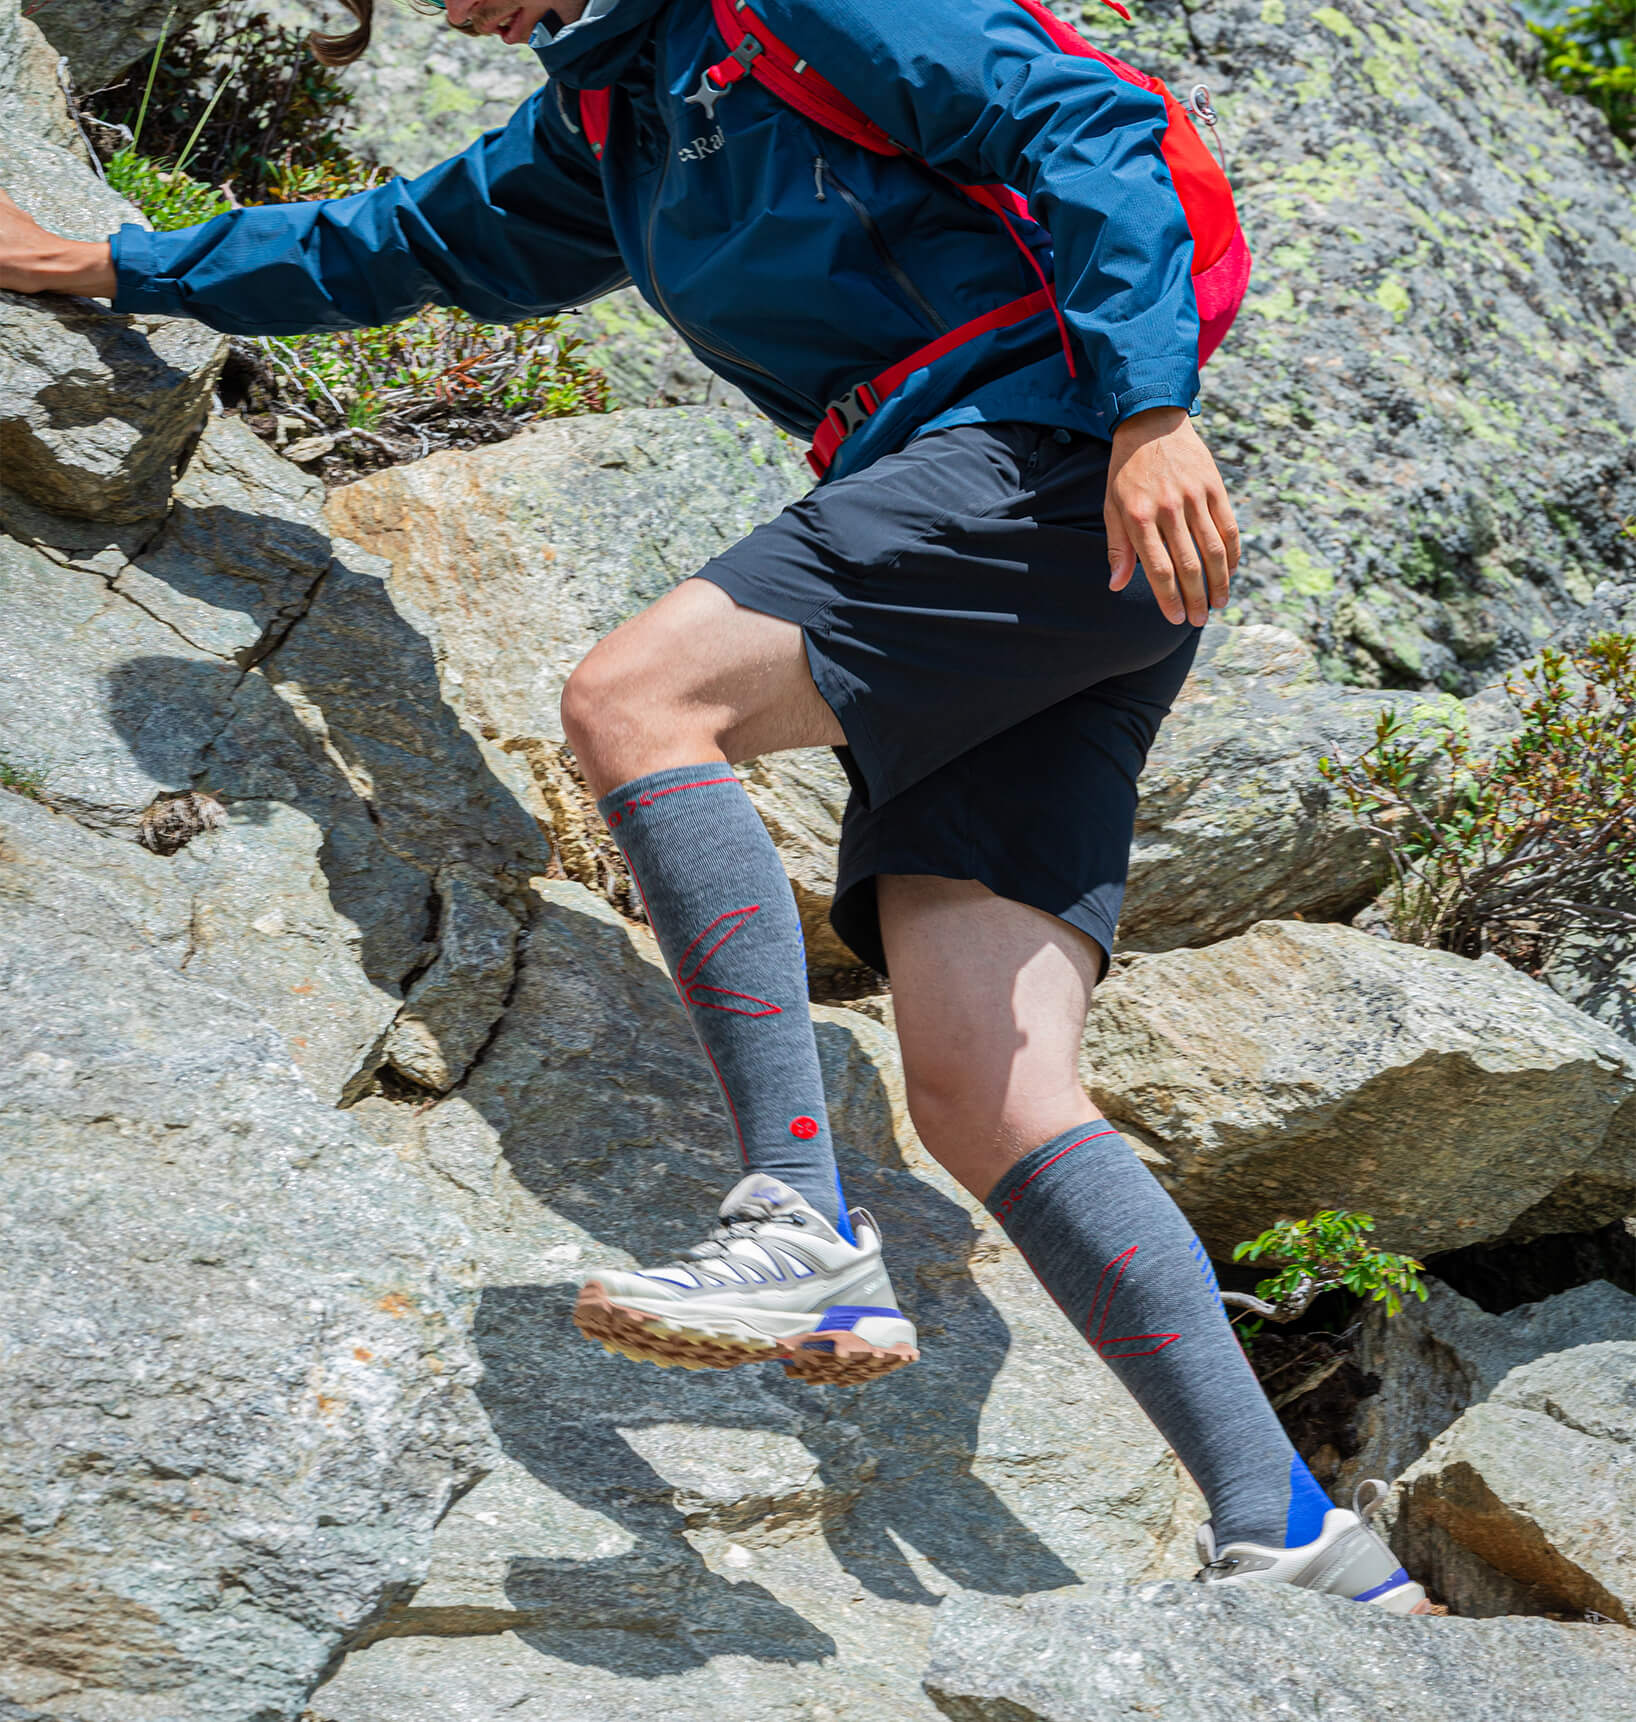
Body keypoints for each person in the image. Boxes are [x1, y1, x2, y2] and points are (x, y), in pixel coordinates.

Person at [0, 0, 1434, 1613]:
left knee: (636, 697)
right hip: (1051, 545)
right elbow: (399, 242)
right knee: (987, 1088)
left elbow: (1081, 125)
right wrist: (109, 266)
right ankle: (1306, 1540)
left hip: (1045, 460)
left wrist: (1150, 407)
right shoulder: (609, 124)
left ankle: (798, 1222)